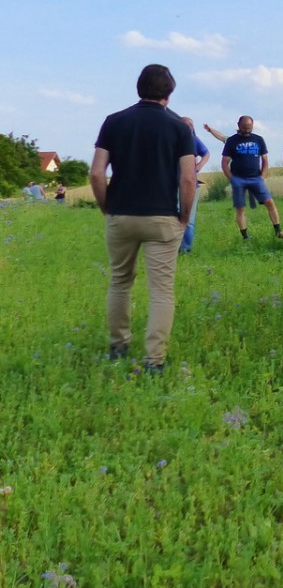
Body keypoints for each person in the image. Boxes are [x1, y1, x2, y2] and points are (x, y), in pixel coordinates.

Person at [88, 64, 195, 374]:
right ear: (169, 93)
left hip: (121, 214)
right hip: (162, 216)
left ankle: (118, 346)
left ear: (139, 88)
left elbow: (96, 173)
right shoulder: (179, 127)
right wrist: (184, 216)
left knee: (120, 281)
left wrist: (107, 208)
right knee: (161, 290)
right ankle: (154, 360)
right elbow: (188, 179)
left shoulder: (114, 121)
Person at [220, 116, 283, 239]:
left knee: (270, 203)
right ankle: (245, 237)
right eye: (244, 128)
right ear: (238, 125)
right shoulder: (232, 141)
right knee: (240, 208)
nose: (247, 130)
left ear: (252, 126)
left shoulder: (258, 139)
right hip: (238, 179)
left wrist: (263, 176)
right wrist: (232, 179)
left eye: (249, 128)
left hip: (256, 178)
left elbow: (265, 160)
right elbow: (224, 163)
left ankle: (278, 231)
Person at [178, 117, 211, 254]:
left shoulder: (194, 140)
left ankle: (186, 250)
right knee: (173, 216)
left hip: (191, 185)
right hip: (172, 185)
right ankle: (173, 247)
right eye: (185, 125)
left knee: (189, 219)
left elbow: (206, 153)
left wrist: (198, 167)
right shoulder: (171, 140)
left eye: (191, 125)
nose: (189, 127)